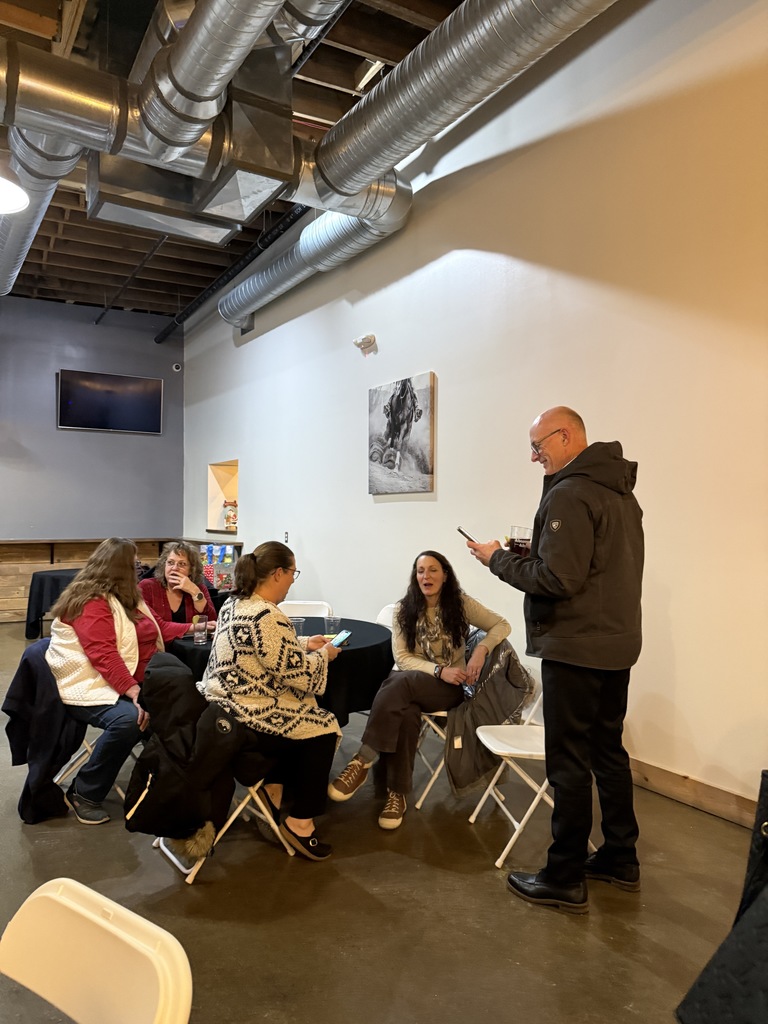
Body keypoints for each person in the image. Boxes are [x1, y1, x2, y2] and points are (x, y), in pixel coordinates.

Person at [468, 406, 643, 914]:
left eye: (538, 445)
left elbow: (558, 580)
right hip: (615, 644)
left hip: (577, 648)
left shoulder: (571, 492)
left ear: (565, 436)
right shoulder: (621, 493)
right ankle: (620, 856)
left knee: (568, 762)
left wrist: (498, 559)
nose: (533, 455)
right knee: (608, 751)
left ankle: (564, 874)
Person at [328, 550, 510, 830]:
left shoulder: (460, 604)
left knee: (399, 683)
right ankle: (397, 794)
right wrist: (438, 669)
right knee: (407, 708)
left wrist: (482, 649)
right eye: (421, 570)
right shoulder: (404, 609)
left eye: (433, 570)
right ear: (415, 577)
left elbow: (501, 624)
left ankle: (362, 760)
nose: (426, 576)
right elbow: (403, 658)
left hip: (447, 688)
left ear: (445, 575)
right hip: (416, 681)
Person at [197, 541, 341, 861]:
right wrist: (323, 656)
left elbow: (263, 651)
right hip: (249, 713)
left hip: (220, 708)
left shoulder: (234, 604)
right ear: (278, 573)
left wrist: (303, 642)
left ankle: (273, 792)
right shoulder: (267, 615)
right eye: (292, 573)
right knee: (322, 727)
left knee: (300, 713)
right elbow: (299, 676)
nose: (292, 580)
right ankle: (300, 824)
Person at [45, 537, 194, 825]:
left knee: (181, 708)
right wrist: (134, 689)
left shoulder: (123, 596)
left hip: (123, 679)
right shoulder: (91, 601)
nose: (140, 570)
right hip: (88, 686)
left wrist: (196, 625)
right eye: (135, 564)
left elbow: (156, 627)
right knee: (129, 720)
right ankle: (84, 792)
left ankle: (169, 788)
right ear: (119, 568)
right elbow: (104, 654)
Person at [139, 540, 216, 625]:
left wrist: (194, 591)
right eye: (170, 563)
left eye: (182, 564)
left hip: (191, 639)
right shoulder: (147, 587)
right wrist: (192, 628)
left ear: (191, 569)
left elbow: (211, 622)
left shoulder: (199, 588)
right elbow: (153, 626)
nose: (174, 568)